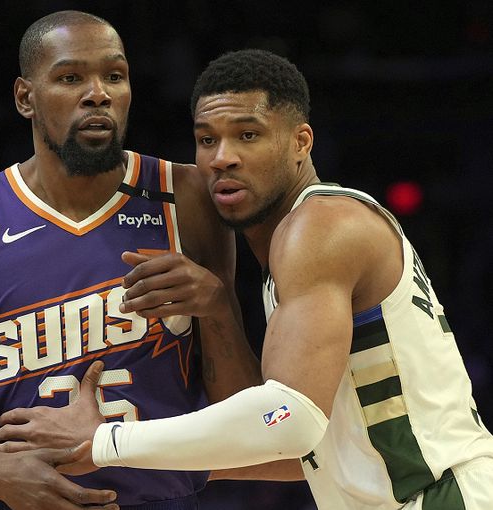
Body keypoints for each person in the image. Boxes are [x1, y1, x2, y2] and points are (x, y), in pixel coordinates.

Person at [28, 49, 493, 509]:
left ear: (301, 142)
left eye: (247, 135)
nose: (222, 158)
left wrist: (107, 441)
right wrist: (98, 457)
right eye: (206, 140)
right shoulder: (295, 247)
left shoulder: (320, 227)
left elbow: (290, 421)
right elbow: (289, 454)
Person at [0, 11, 261, 510]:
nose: (98, 94)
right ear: (25, 98)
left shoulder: (188, 196)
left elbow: (245, 417)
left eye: (114, 75)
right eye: (71, 78)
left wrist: (217, 306)